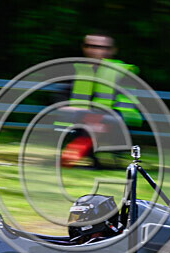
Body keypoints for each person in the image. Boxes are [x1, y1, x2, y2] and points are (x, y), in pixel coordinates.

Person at [60, 32, 143, 168]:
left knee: (97, 124)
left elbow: (126, 104)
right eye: (90, 46)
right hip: (84, 117)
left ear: (113, 50)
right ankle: (86, 159)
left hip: (117, 118)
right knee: (86, 122)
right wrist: (65, 106)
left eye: (102, 47)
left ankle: (81, 158)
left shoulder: (122, 71)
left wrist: (102, 118)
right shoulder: (78, 69)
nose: (95, 50)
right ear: (84, 48)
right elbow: (62, 95)